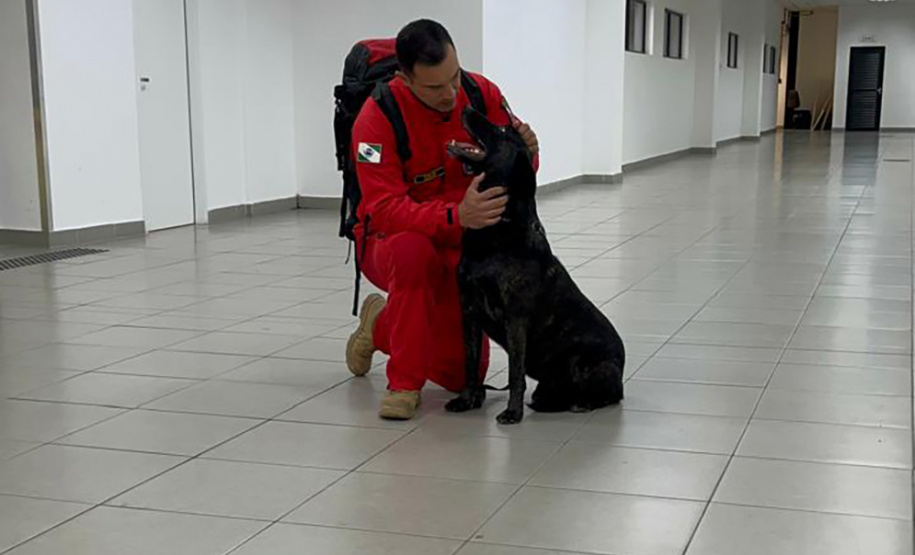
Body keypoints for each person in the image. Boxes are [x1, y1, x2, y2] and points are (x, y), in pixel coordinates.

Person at [344, 19, 539, 420]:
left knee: (458, 377)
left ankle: (379, 324)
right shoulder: (374, 120)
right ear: (404, 77)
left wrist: (530, 152)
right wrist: (456, 214)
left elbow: (513, 167)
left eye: (454, 77)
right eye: (435, 87)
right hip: (393, 239)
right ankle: (404, 383)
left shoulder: (480, 92)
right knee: (414, 254)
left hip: (464, 239)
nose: (451, 94)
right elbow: (383, 209)